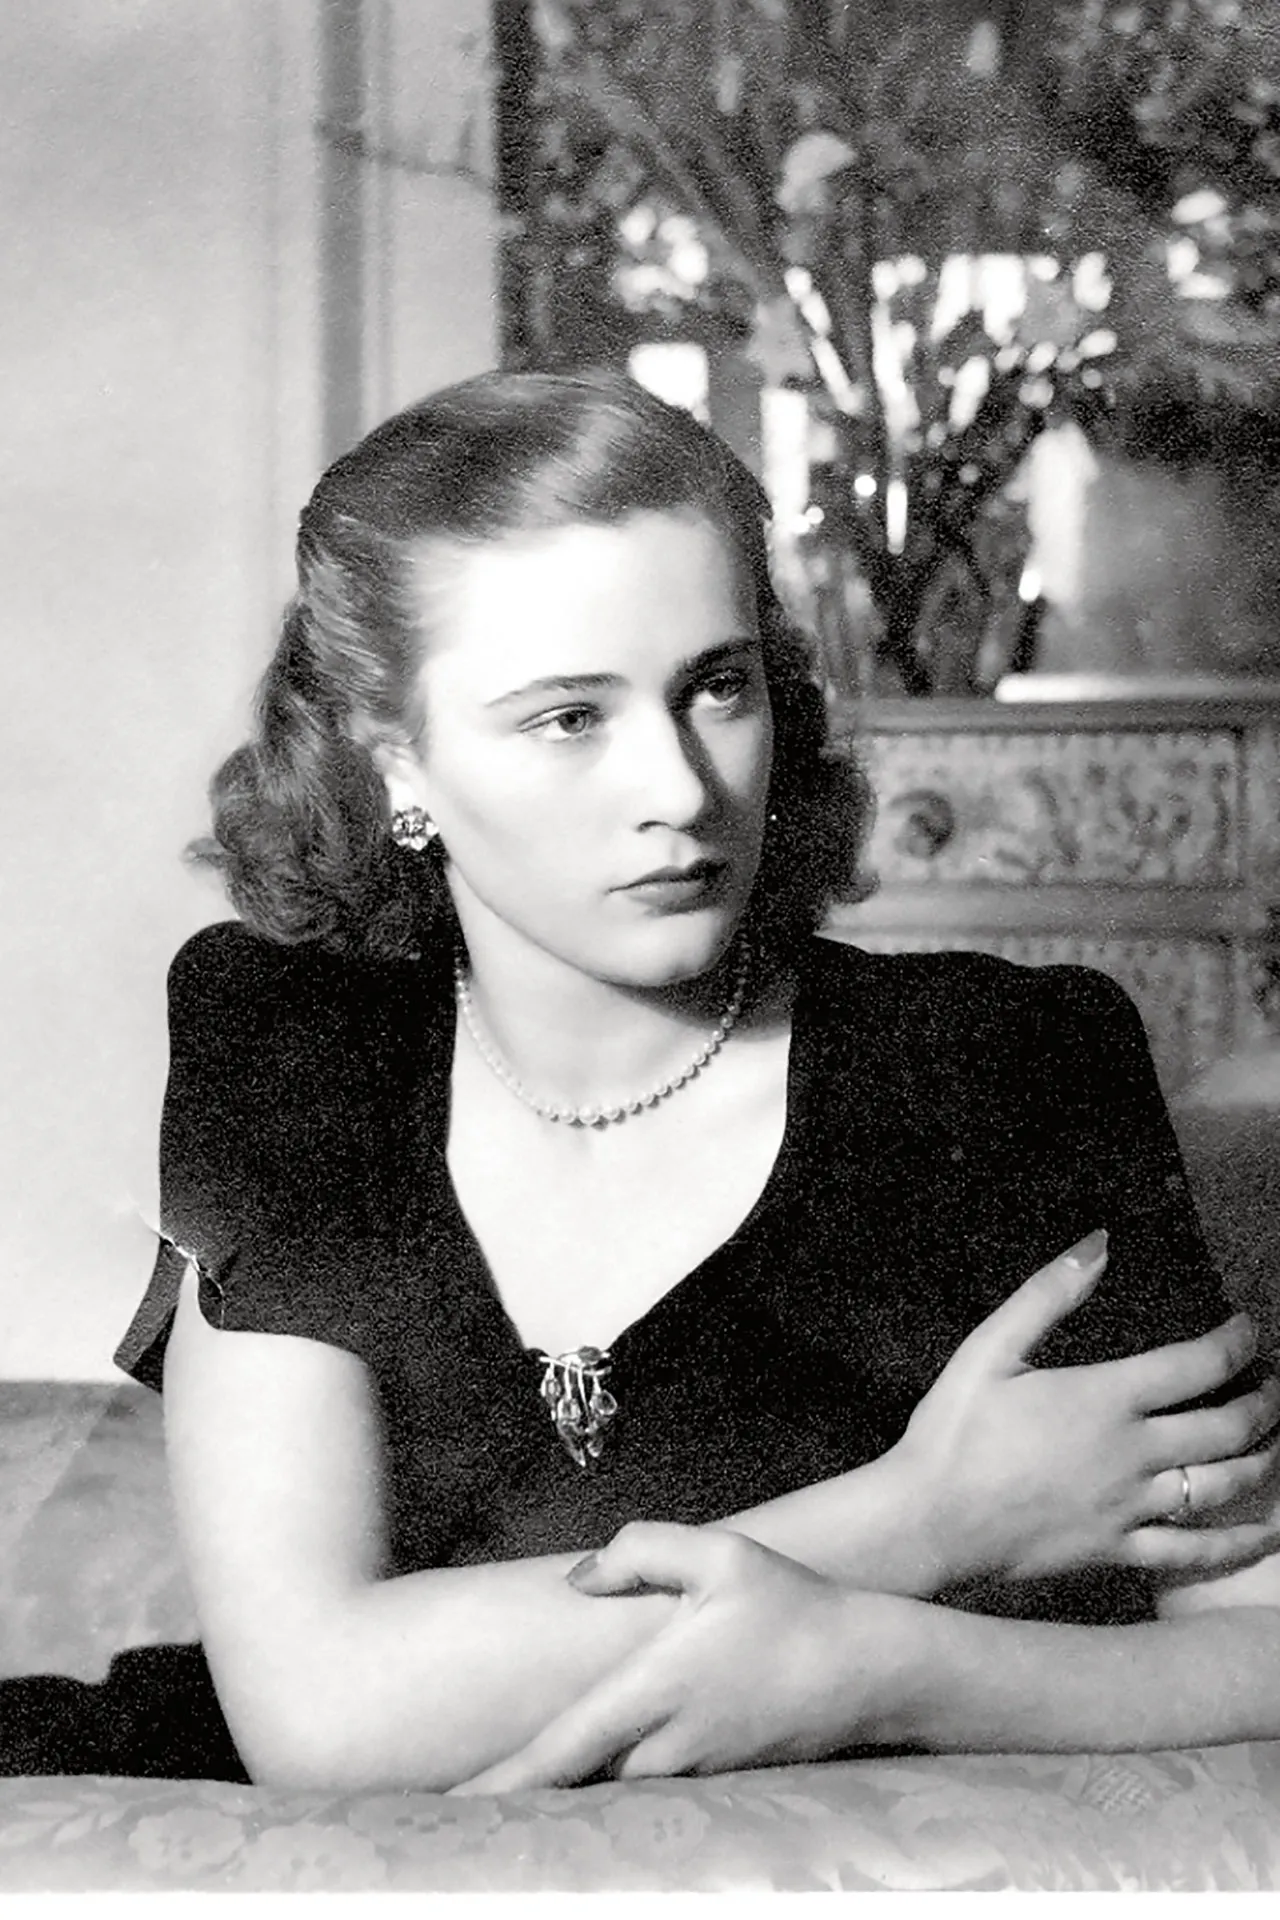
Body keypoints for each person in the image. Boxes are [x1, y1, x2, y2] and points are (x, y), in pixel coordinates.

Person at [6, 370, 1278, 1790]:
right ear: (395, 765)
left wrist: (891, 1664)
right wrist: (924, 1517)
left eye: (717, 688)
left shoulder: (1008, 1065)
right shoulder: (288, 1045)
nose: (679, 788)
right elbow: (319, 1718)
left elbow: (1259, 1641)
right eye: (569, 718)